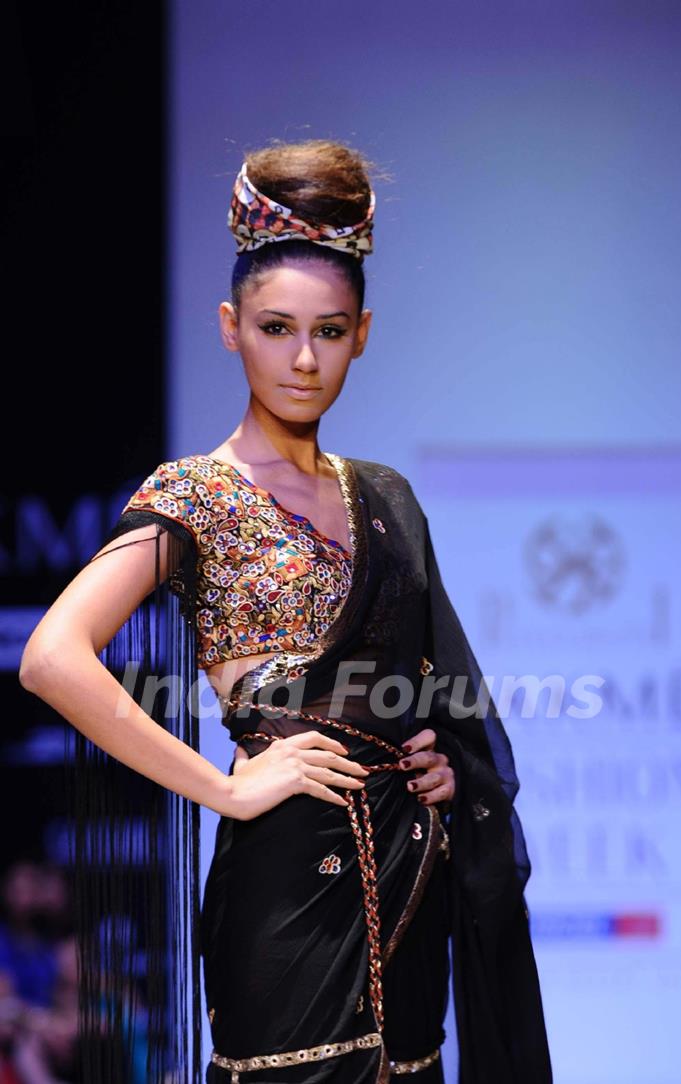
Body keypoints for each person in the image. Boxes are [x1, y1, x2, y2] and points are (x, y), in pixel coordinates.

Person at [18, 139, 553, 1083]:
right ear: (230, 327)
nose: (304, 358)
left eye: (331, 331)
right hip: (284, 893)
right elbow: (53, 655)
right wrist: (224, 790)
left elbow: (428, 694)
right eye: (275, 328)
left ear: (364, 332)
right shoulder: (194, 495)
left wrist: (432, 755)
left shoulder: (385, 496)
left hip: (408, 875)